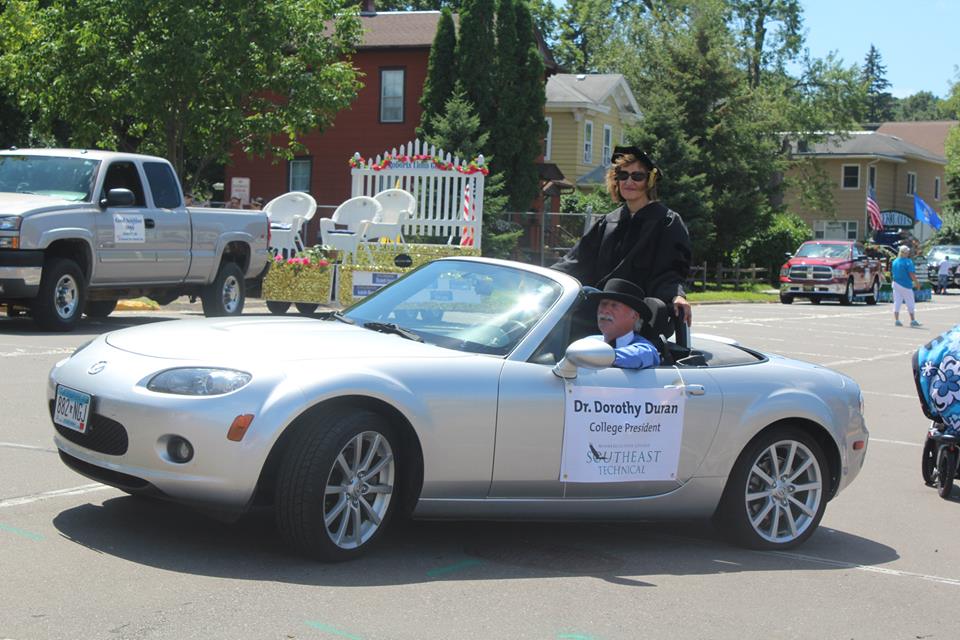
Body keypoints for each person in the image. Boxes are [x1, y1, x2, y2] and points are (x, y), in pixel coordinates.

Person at [552, 146, 692, 328]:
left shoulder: (666, 222)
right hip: (597, 313)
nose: (629, 182)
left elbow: (671, 272)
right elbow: (575, 261)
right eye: (623, 176)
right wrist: (545, 280)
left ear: (649, 180)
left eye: (637, 176)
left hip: (638, 318)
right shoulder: (607, 222)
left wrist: (677, 296)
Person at [588, 278, 660, 369]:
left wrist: (593, 356)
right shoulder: (589, 342)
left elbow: (637, 356)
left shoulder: (646, 349)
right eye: (603, 304)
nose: (605, 310)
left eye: (614, 305)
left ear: (634, 316)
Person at [892, 245, 921, 327]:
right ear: (905, 253)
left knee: (897, 302)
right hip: (906, 284)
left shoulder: (895, 261)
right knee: (910, 302)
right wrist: (916, 283)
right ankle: (912, 320)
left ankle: (897, 320)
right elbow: (911, 274)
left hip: (896, 283)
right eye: (908, 252)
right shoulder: (908, 262)